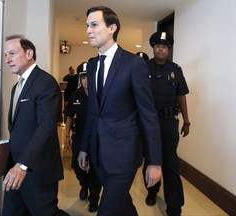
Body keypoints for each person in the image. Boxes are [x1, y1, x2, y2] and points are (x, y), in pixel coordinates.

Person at [78, 6, 162, 216]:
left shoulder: (133, 64)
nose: (88, 30)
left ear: (112, 28)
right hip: (98, 154)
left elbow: (148, 115)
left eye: (94, 25)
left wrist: (154, 161)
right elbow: (93, 111)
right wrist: (85, 147)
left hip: (124, 154)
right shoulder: (93, 64)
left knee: (106, 211)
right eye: (87, 25)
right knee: (122, 206)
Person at [2, 35, 69, 216]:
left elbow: (46, 126)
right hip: (15, 168)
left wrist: (22, 165)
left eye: (12, 53)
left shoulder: (45, 83)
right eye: (5, 55)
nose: (7, 60)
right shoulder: (17, 87)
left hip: (37, 171)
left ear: (29, 53)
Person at [142, 31, 190, 216]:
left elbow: (181, 96)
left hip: (169, 123)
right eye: (157, 46)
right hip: (148, 123)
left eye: (164, 47)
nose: (160, 49)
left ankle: (174, 206)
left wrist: (186, 121)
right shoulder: (144, 67)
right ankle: (152, 192)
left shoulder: (176, 70)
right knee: (150, 160)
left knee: (171, 163)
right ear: (153, 48)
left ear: (168, 50)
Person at [64, 62, 102, 213]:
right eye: (84, 77)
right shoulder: (75, 95)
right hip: (79, 136)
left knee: (95, 169)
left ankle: (94, 199)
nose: (87, 80)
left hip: (96, 138)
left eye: (89, 77)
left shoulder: (100, 96)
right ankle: (84, 185)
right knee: (77, 166)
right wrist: (67, 135)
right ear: (80, 78)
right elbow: (69, 116)